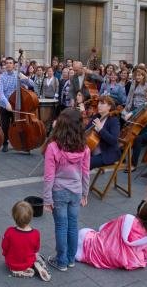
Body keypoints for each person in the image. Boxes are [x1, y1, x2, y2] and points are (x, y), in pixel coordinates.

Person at [43, 108, 90, 272]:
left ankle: (61, 260)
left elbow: (49, 177)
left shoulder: (53, 147)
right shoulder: (85, 148)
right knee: (73, 225)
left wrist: (47, 199)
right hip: (76, 191)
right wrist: (85, 193)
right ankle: (71, 259)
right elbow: (86, 173)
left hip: (59, 192)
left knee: (61, 227)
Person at [75, 202, 147, 270]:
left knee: (83, 233)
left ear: (143, 211)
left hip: (106, 248)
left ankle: (80, 250)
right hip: (125, 259)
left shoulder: (127, 219)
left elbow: (106, 229)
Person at [1, 201, 51, 281]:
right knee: (37, 255)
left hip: (12, 263)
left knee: (19, 256)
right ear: (31, 217)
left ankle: (17, 271)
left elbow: (4, 246)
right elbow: (36, 249)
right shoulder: (35, 233)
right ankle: (39, 264)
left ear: (14, 216)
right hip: (28, 261)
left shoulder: (9, 231)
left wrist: (5, 253)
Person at [0, 57, 34, 153]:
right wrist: (7, 103)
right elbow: (0, 92)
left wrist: (25, 78)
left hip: (16, 105)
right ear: (5, 65)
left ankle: (19, 143)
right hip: (5, 105)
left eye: (10, 63)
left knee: (17, 125)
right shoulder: (1, 76)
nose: (8, 65)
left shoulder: (18, 75)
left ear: (14, 65)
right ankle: (5, 143)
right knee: (5, 126)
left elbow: (32, 85)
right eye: (7, 63)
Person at [86, 95, 121, 169]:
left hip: (106, 154)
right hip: (92, 150)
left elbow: (113, 141)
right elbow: (86, 130)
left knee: (85, 163)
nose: (99, 105)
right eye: (99, 103)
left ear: (109, 107)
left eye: (102, 104)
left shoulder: (114, 120)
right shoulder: (97, 116)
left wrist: (101, 129)